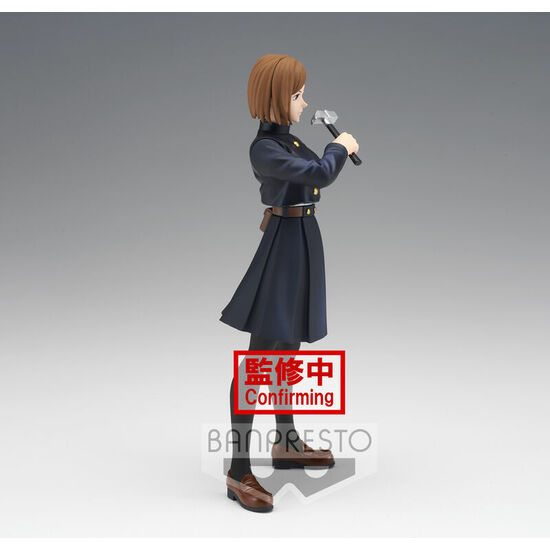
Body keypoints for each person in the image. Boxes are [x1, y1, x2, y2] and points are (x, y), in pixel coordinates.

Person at [220, 54, 359, 513]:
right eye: (297, 95)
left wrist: (333, 149)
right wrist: (340, 147)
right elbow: (321, 173)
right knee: (261, 357)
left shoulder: (290, 140)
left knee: (289, 349)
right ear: (277, 99)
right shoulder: (265, 149)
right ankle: (238, 468)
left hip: (303, 239)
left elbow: (313, 171)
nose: (304, 102)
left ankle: (285, 441)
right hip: (283, 245)